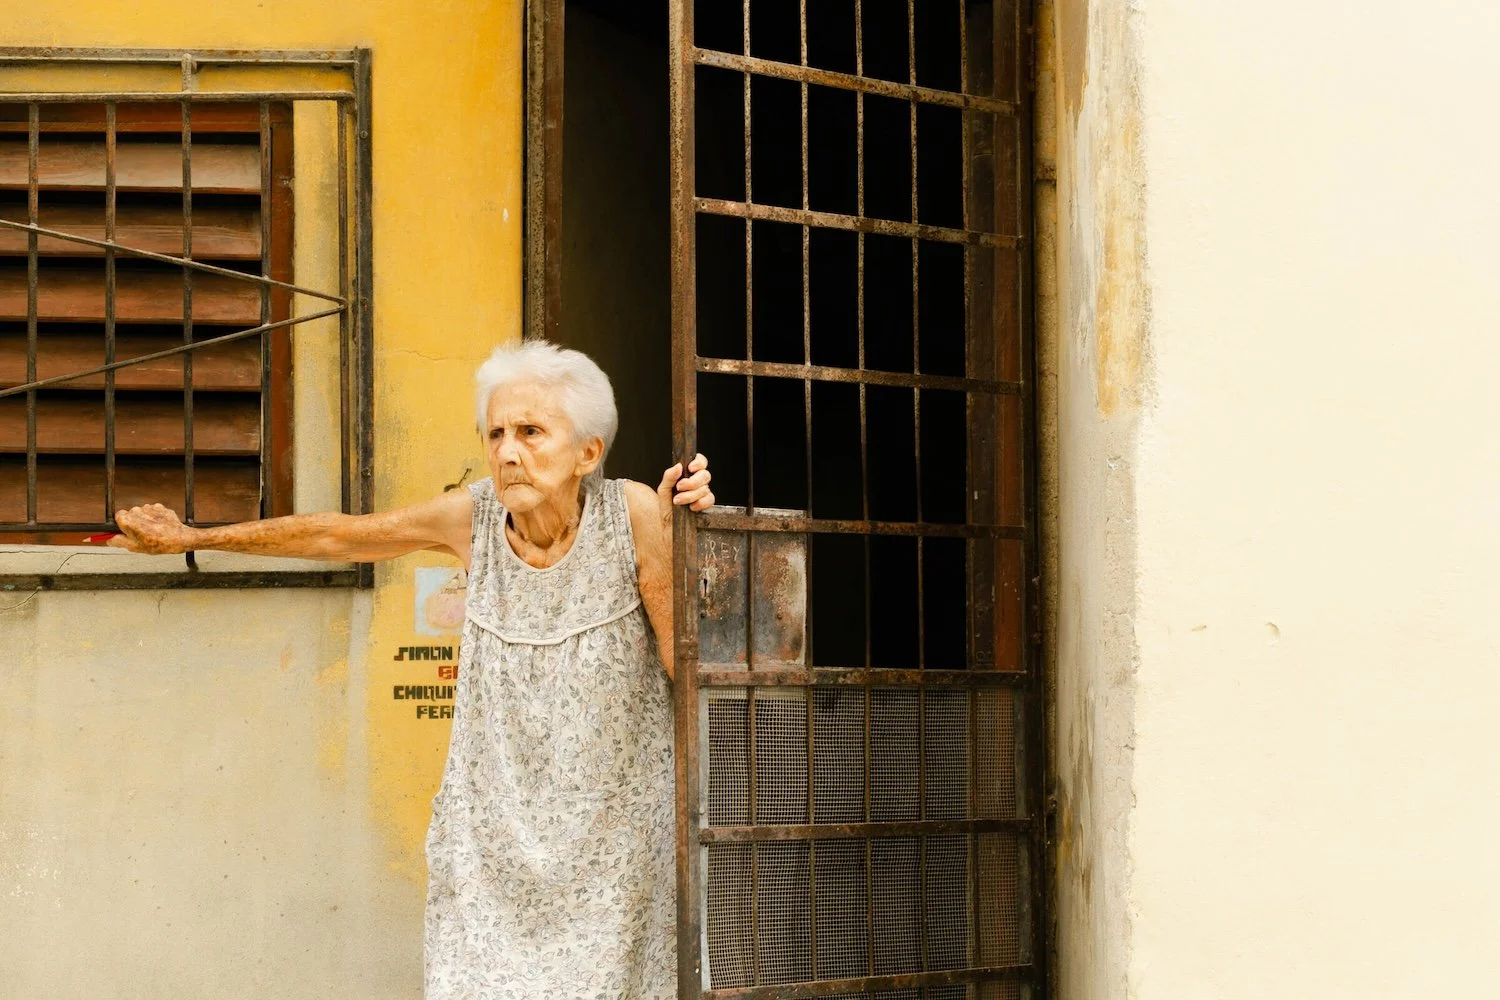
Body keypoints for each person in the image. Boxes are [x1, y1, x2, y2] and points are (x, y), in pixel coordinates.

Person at [108, 340, 714, 1000]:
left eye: (532, 432)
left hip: (614, 837)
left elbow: (687, 663)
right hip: (496, 837)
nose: (508, 451)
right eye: (497, 433)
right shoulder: (474, 517)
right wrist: (196, 537)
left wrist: (692, 539)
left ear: (588, 452)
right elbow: (343, 535)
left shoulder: (633, 515)